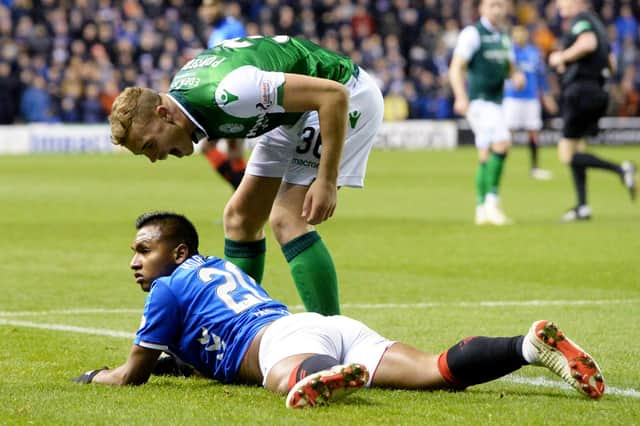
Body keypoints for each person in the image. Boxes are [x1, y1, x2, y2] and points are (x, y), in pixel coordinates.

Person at [72, 211, 606, 408]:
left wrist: (95, 376)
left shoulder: (167, 288)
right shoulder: (214, 269)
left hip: (283, 346)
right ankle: (526, 345)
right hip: (319, 324)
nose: (136, 264)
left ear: (177, 252)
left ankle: (323, 377)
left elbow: (129, 378)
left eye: (144, 251)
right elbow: (196, 347)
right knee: (435, 371)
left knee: (283, 379)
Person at [108, 35, 384, 315]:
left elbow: (333, 95)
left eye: (150, 146)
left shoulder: (228, 92)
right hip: (292, 114)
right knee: (240, 218)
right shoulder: (186, 95)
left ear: (163, 113)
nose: (155, 158)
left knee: (287, 219)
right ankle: (240, 329)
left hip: (347, 96)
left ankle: (334, 334)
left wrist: (326, 178)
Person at [548, 0, 637, 222]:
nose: (559, 5)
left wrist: (562, 57)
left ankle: (621, 169)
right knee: (578, 150)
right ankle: (582, 207)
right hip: (597, 92)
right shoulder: (598, 24)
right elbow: (611, 63)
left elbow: (588, 43)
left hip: (580, 93)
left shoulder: (581, 21)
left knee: (566, 155)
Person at [449, 0, 526, 226]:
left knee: (485, 154)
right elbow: (456, 67)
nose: (497, 9)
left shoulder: (504, 36)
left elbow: (510, 67)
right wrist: (460, 96)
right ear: (482, 9)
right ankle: (492, 203)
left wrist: (517, 76)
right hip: (479, 102)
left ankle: (481, 209)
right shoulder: (473, 34)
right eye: (492, 5)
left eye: (500, 5)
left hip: (497, 102)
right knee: (502, 142)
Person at [198, 0, 248, 190]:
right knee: (209, 148)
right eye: (205, 7)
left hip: (234, 97)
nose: (208, 11)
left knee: (233, 152)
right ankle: (243, 200)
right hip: (219, 99)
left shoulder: (233, 28)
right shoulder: (216, 32)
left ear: (220, 7)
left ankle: (245, 203)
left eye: (212, 6)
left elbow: (240, 59)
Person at [503, 25, 557, 181]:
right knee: (507, 133)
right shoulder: (510, 52)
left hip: (531, 99)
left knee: (533, 132)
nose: (520, 37)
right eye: (516, 34)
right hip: (512, 98)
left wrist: (547, 97)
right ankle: (500, 165)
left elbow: (541, 76)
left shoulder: (534, 53)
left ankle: (535, 168)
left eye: (522, 34)